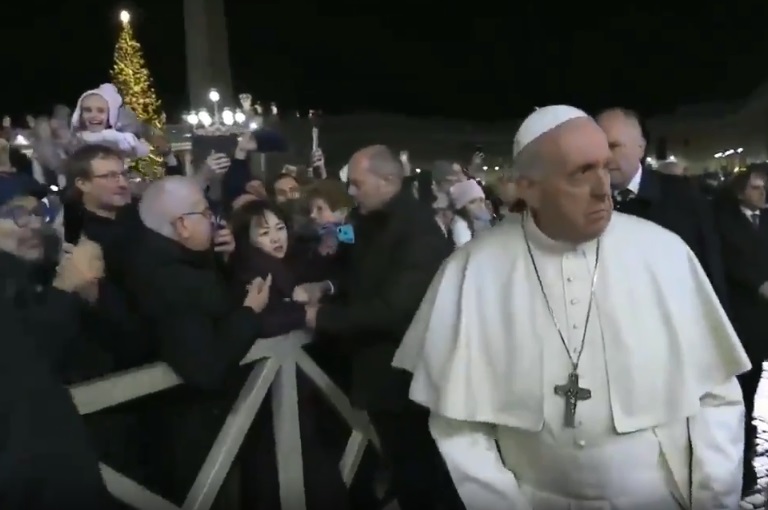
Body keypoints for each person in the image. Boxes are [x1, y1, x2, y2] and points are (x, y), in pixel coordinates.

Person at [394, 105, 750, 509]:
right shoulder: (472, 272)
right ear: (527, 186)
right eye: (580, 173)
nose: (603, 188)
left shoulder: (664, 254)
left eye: (605, 167)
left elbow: (716, 398)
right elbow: (457, 424)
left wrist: (713, 503)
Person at [299, 145, 458, 510]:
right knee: (407, 473)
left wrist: (321, 317)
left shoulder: (418, 232)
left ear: (388, 181)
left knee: (424, 478)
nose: (350, 193)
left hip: (407, 379)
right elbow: (349, 263)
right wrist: (327, 285)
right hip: (380, 375)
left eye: (357, 184)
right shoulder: (362, 219)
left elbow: (394, 308)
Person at [596, 108, 728, 304]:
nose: (604, 157)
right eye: (598, 147)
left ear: (640, 147)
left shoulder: (684, 198)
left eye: (613, 146)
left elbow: (710, 269)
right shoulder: (587, 202)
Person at [712, 169, 768, 493]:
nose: (762, 193)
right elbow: (734, 263)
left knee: (753, 384)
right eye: (756, 187)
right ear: (738, 191)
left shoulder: (763, 220)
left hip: (760, 328)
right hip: (739, 321)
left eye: (764, 187)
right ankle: (737, 467)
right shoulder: (724, 221)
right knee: (739, 397)